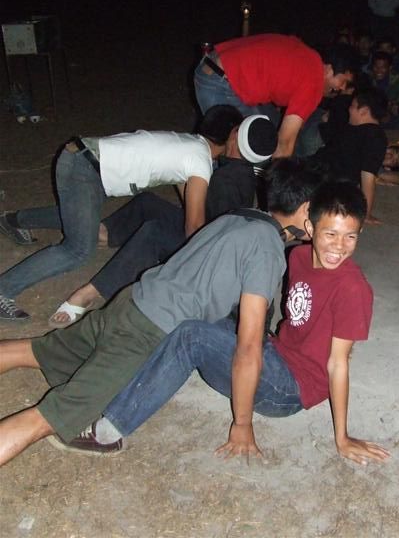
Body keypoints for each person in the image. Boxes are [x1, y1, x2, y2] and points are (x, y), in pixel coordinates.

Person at [0, 159, 322, 467]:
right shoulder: (267, 247)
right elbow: (248, 345)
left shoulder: (239, 217)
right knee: (49, 418)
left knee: (33, 350)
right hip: (146, 332)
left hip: (131, 302)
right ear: (306, 210)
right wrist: (243, 422)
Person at [48, 181, 389, 468]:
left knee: (192, 335)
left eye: (350, 237)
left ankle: (108, 433)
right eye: (331, 234)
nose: (339, 246)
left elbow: (338, 364)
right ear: (310, 229)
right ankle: (120, 381)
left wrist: (341, 437)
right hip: (276, 353)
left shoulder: (353, 288)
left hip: (291, 388)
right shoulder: (298, 256)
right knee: (201, 317)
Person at [0, 105, 243, 321]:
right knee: (78, 250)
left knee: (81, 220)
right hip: (85, 171)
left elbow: (185, 188)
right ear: (233, 135)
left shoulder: (190, 145)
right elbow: (194, 227)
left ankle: (13, 220)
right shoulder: (200, 159)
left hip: (83, 159)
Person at [49, 114, 278, 325]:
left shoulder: (227, 180)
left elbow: (198, 230)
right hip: (208, 231)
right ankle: (103, 234)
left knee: (154, 234)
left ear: (236, 136)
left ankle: (88, 293)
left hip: (209, 251)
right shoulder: (240, 171)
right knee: (147, 203)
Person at [194, 34, 358, 158]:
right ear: (329, 69)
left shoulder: (310, 56)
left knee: (263, 132)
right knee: (248, 145)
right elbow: (284, 145)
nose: (342, 88)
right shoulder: (314, 81)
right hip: (221, 83)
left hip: (216, 67)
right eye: (343, 81)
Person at [308, 89, 388, 225]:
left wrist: (366, 213)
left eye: (352, 106)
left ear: (363, 111)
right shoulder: (354, 128)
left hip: (324, 181)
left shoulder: (374, 136)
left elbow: (368, 175)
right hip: (316, 171)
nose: (349, 109)